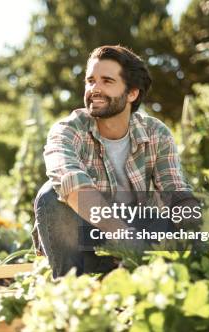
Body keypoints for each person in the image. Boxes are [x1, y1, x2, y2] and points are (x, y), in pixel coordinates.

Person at [33, 45, 196, 278]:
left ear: (132, 93)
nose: (94, 89)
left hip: (140, 236)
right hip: (87, 245)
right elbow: (70, 181)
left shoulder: (156, 133)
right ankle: (69, 287)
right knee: (51, 195)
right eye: (90, 81)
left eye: (107, 81)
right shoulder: (67, 131)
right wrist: (121, 235)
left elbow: (175, 191)